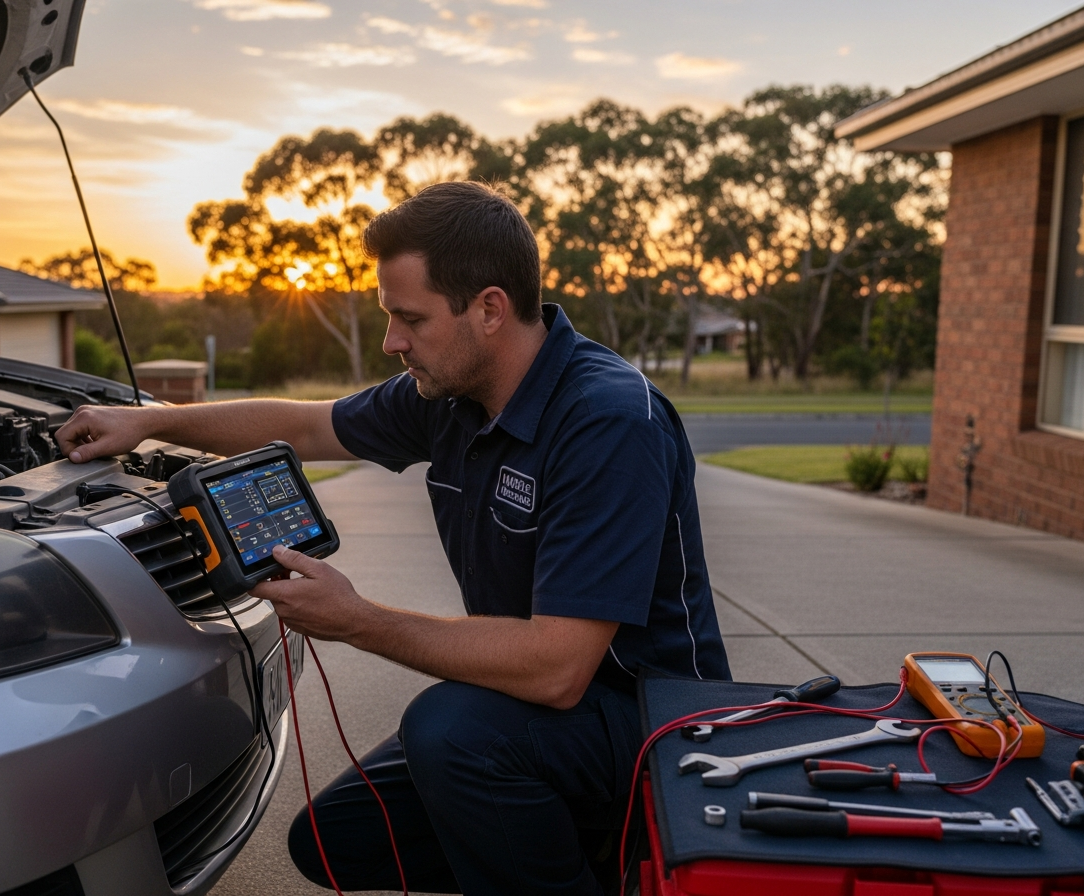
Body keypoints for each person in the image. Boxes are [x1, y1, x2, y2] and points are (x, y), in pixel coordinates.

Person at [56, 181, 730, 895]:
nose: (391, 342)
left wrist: (359, 621)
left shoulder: (608, 421)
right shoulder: (448, 396)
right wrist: (151, 422)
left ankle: (604, 855)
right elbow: (310, 425)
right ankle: (584, 856)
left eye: (409, 318)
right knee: (337, 839)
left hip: (657, 721)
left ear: (490, 310)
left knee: (452, 732)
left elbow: (558, 669)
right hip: (539, 715)